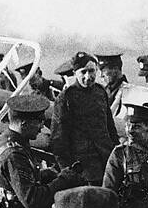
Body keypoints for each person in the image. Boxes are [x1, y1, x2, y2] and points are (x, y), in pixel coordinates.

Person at [50, 52, 118, 184]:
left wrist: (116, 155)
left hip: (106, 160)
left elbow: (110, 127)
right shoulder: (66, 97)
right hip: (84, 167)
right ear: (75, 73)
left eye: (92, 71)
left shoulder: (100, 92)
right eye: (83, 72)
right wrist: (67, 170)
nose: (88, 76)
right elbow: (58, 138)